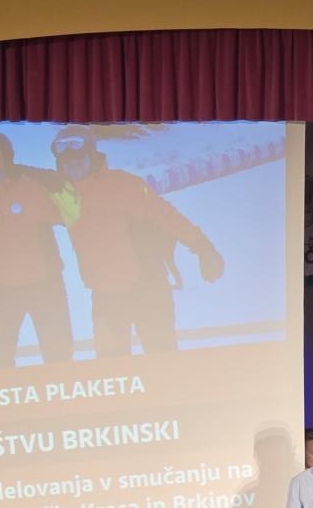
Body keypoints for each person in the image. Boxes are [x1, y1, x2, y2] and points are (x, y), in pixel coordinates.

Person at [46, 125, 225, 357]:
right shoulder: (60, 196)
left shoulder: (123, 185)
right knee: (112, 369)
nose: (73, 165)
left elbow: (166, 216)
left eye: (79, 158)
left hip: (147, 288)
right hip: (106, 296)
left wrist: (203, 247)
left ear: (91, 154)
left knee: (163, 361)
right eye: (66, 161)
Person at [0, 131, 74, 368]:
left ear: (9, 160)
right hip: (1, 290)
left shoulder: (30, 187)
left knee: (59, 358)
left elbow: (71, 214)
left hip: (45, 286)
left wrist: (51, 181)